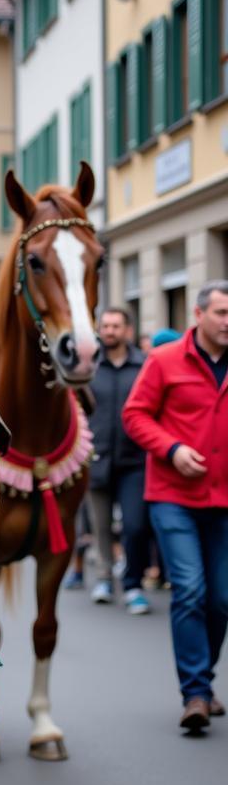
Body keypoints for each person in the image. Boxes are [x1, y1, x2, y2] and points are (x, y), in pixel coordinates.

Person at [123, 280, 228, 733]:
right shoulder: (164, 360)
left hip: (224, 499)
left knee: (222, 599)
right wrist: (171, 449)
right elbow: (135, 415)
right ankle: (196, 694)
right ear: (199, 315)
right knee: (189, 590)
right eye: (222, 313)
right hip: (173, 496)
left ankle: (202, 679)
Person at [86, 309, 150, 613]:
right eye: (105, 326)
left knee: (135, 526)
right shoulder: (89, 365)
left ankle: (133, 584)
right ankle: (103, 578)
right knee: (101, 527)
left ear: (128, 330)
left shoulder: (144, 365)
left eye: (116, 326)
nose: (109, 331)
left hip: (135, 460)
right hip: (96, 457)